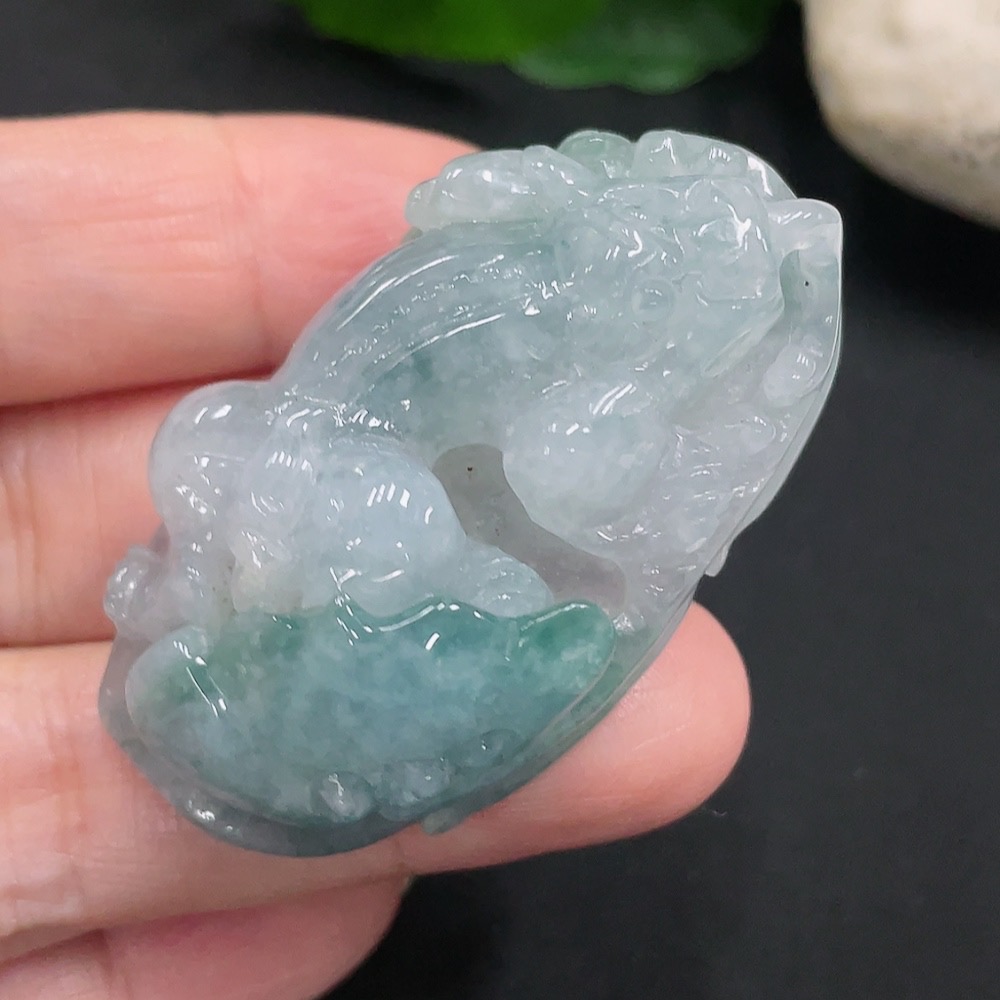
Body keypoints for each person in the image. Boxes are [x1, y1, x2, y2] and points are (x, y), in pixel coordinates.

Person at [0, 113, 750, 1000]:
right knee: (431, 556)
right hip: (335, 479)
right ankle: (245, 632)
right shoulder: (549, 321)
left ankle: (228, 623)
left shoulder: (519, 277)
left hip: (296, 463)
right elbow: (558, 476)